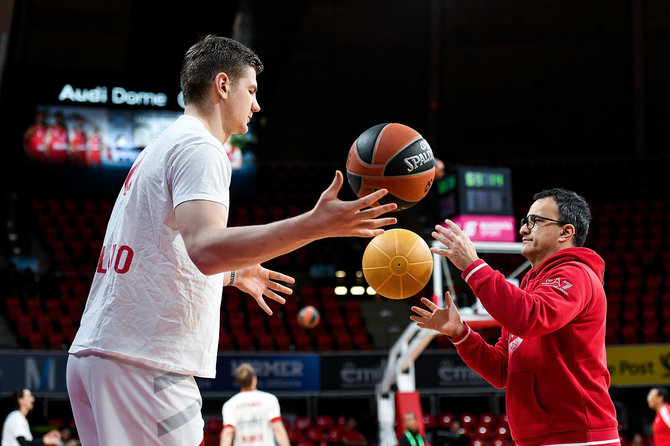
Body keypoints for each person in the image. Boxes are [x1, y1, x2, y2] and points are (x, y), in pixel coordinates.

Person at [65, 34, 397, 446]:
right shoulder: (201, 147)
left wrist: (234, 274)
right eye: (251, 90)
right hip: (144, 361)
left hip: (100, 355)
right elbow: (205, 249)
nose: (256, 105)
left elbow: (163, 256)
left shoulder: (161, 145)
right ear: (223, 86)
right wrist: (315, 225)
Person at [411, 188, 619, 446]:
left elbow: (530, 318)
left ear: (566, 232)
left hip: (577, 436)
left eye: (536, 221)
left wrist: (473, 266)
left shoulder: (576, 274)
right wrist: (460, 333)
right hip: (541, 437)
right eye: (525, 221)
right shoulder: (530, 289)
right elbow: (501, 371)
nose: (524, 229)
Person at [220, 363, 290, 446]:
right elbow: (278, 429)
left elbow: (228, 433)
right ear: (254, 379)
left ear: (238, 382)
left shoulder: (229, 405)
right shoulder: (269, 399)